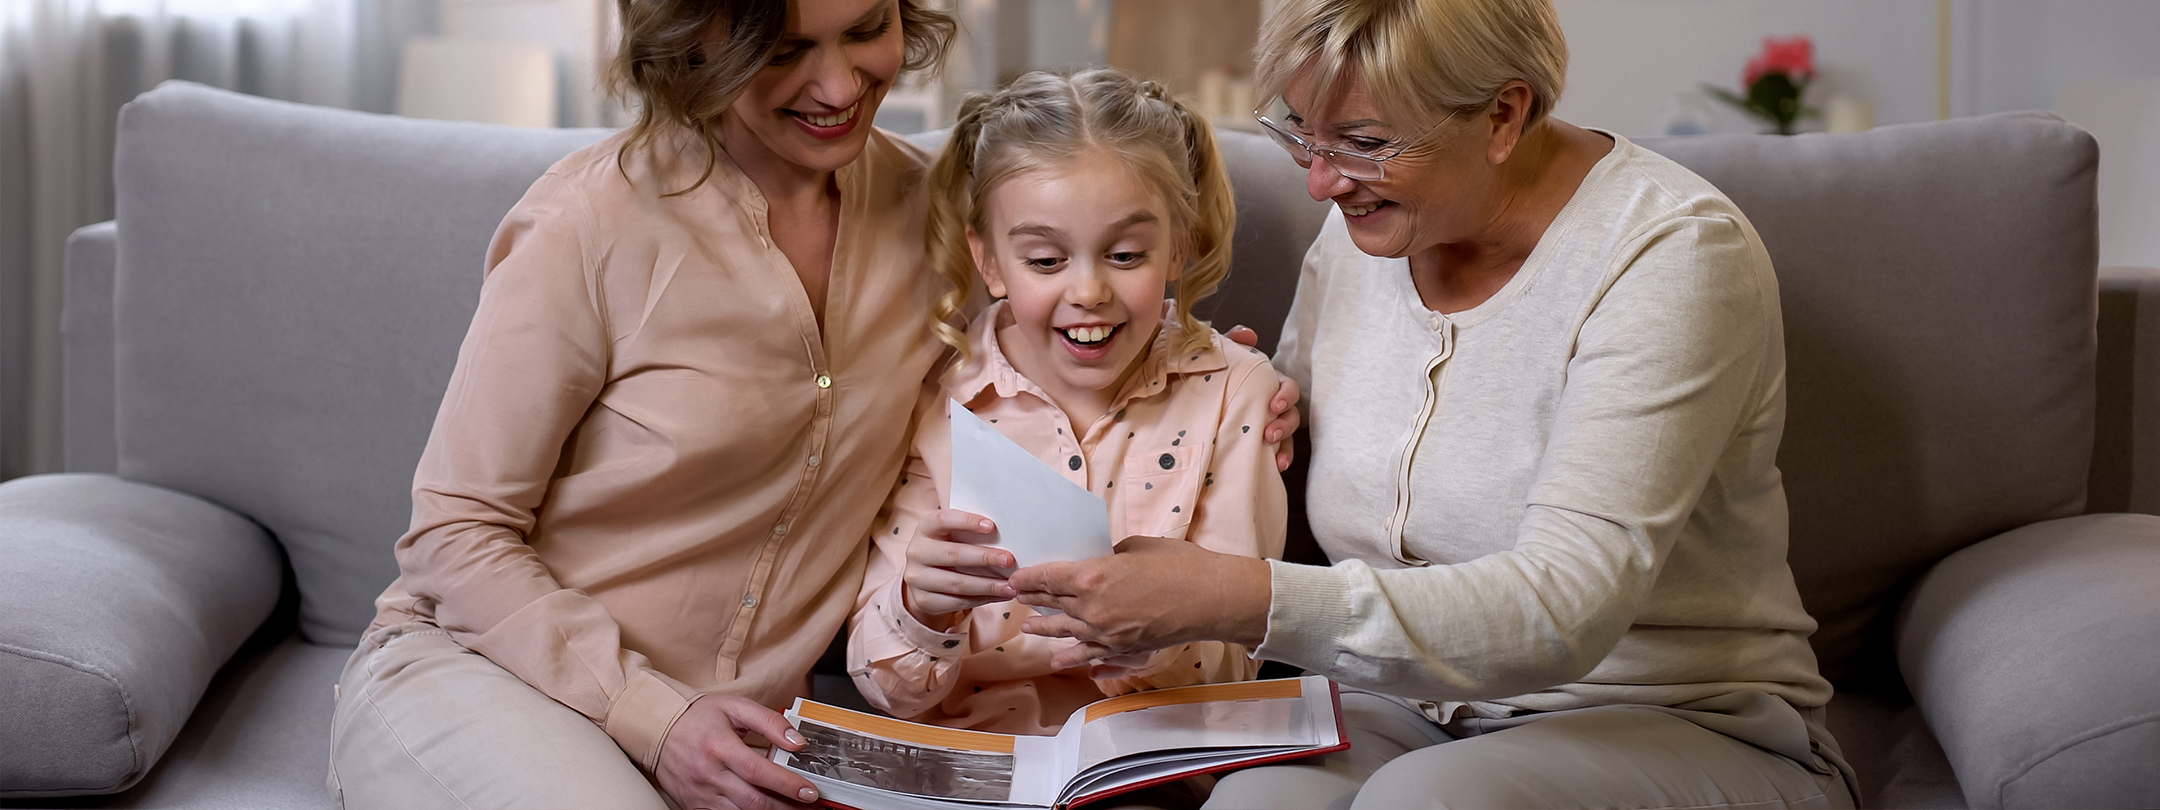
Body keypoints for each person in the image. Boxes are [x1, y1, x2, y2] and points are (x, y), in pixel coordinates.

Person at [325, 2, 1300, 807]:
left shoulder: (938, 220)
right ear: (697, 38)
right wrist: (654, 717)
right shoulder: (588, 224)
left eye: (865, 27)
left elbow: (1069, 319)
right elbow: (453, 533)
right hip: (494, 678)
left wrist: (1211, 380)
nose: (840, 88)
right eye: (787, 49)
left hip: (756, 744)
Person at [1009, 1, 1861, 807]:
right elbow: (1291, 459)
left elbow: (1562, 610)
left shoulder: (1670, 254)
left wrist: (1233, 597)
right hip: (1407, 707)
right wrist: (1234, 410)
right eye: (1303, 131)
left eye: (1364, 141)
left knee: (1428, 803)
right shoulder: (1370, 230)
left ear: (1502, 116)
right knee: (1256, 799)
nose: (1320, 183)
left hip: (1672, 714)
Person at [848, 69, 1287, 737]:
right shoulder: (938, 397)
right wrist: (920, 607)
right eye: (1045, 261)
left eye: (1125, 254)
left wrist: (1154, 638)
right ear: (990, 263)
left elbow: (1233, 663)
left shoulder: (1233, 391)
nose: (1088, 290)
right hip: (976, 764)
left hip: (1149, 763)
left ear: (1180, 245)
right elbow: (886, 686)